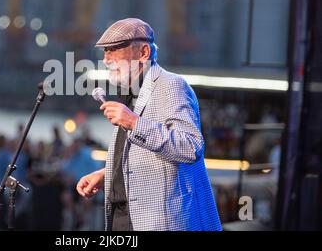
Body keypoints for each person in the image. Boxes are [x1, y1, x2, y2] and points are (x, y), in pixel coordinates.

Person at [76, 18, 222, 231]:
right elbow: (144, 155)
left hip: (159, 221)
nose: (106, 60)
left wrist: (134, 123)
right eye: (105, 52)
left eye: (114, 50)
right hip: (124, 217)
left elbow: (190, 147)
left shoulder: (171, 85)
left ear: (143, 52)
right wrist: (108, 173)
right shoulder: (130, 92)